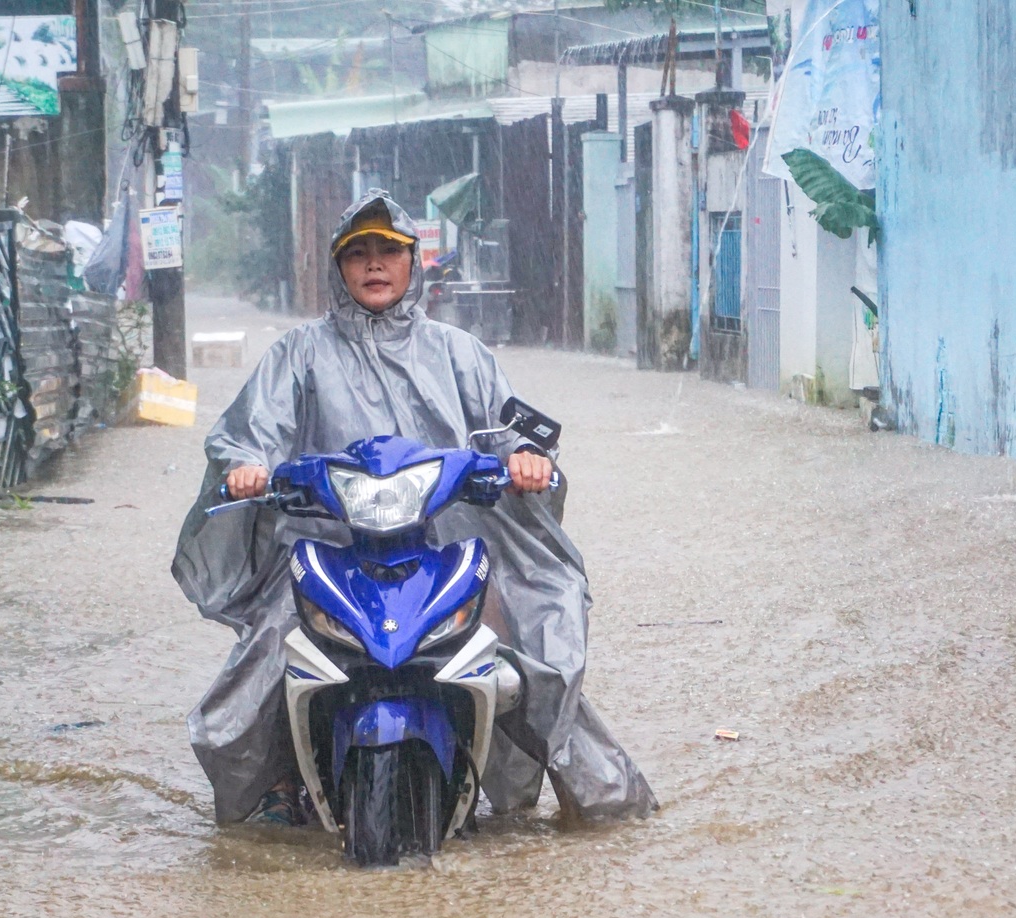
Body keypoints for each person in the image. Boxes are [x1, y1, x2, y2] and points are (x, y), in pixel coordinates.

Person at [172, 191, 658, 826]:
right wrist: (246, 466)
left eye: (388, 251)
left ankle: (597, 803)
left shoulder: (460, 352)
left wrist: (525, 461)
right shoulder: (299, 354)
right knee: (271, 645)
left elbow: (508, 429)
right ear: (340, 268)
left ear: (412, 263)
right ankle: (271, 785)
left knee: (532, 647)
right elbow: (250, 431)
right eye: (359, 253)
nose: (375, 265)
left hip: (450, 542)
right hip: (328, 545)